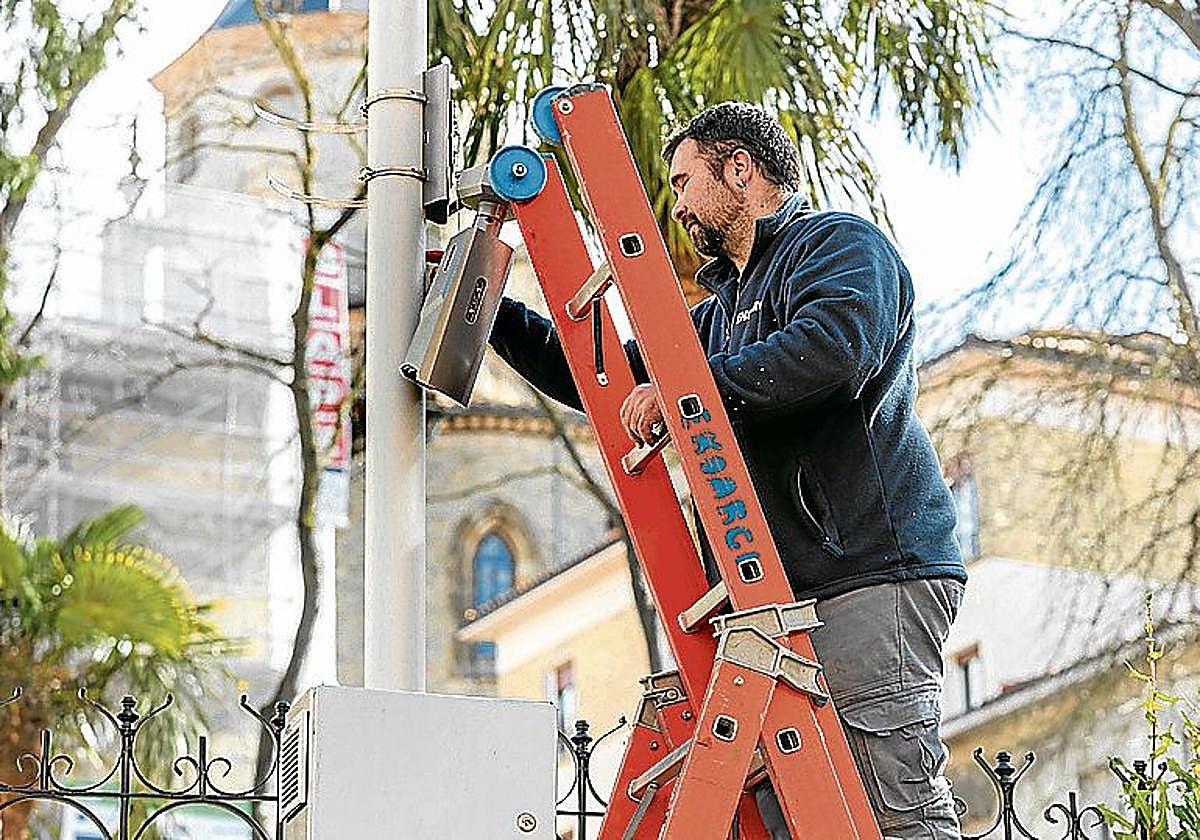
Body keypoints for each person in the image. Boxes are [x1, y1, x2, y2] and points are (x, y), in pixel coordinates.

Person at [489, 101, 967, 840]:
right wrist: (489, 309)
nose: (675, 203)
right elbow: (608, 375)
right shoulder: (715, 319)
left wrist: (689, 398)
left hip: (870, 572)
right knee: (798, 819)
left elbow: (833, 349)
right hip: (777, 597)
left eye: (684, 182)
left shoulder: (838, 247)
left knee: (892, 810)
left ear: (740, 169)